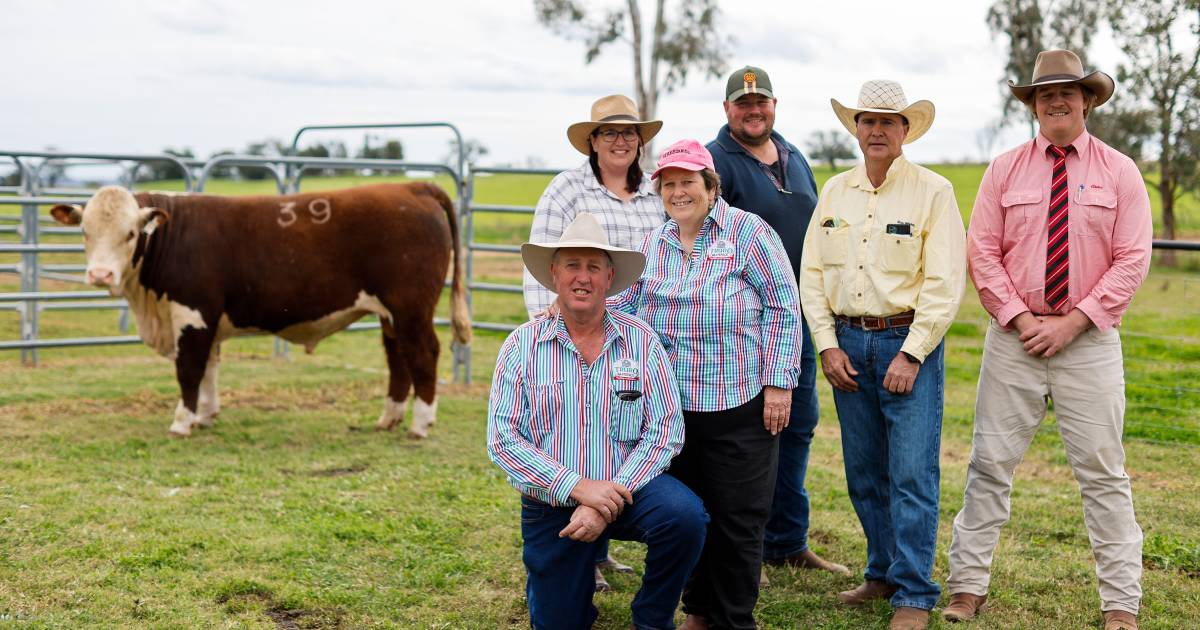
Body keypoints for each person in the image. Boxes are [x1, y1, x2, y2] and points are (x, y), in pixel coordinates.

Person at [944, 50, 1151, 630]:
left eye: (1068, 91)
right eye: (1044, 93)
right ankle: (966, 588)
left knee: (1104, 473)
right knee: (988, 465)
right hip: (1014, 341)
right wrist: (1018, 317)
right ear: (1032, 104)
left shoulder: (1121, 172)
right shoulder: (1004, 170)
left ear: (1087, 100)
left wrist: (1074, 321)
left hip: (1089, 342)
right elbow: (982, 251)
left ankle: (1120, 604)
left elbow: (1133, 260)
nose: (1056, 100)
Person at [610, 139, 803, 630]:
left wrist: (779, 385)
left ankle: (735, 619)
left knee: (739, 519)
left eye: (687, 182)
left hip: (740, 402)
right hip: (673, 410)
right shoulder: (655, 244)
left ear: (711, 186)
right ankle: (698, 611)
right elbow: (626, 309)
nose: (678, 192)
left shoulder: (749, 234)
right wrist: (571, 311)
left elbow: (783, 308)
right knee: (693, 515)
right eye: (668, 184)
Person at [798, 80, 965, 630]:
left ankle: (914, 594)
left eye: (887, 122)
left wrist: (913, 354)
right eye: (867, 121)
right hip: (847, 345)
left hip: (904, 343)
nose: (876, 130)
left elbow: (944, 281)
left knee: (911, 474)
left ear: (905, 130)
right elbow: (814, 274)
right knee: (864, 470)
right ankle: (882, 572)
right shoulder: (835, 193)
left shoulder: (933, 192)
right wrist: (825, 344)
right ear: (856, 128)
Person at [489, 212, 708, 630]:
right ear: (554, 275)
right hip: (553, 502)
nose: (582, 277)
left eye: (593, 267)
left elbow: (665, 430)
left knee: (684, 517)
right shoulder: (522, 345)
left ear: (610, 277)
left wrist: (606, 500)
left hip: (628, 490)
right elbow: (503, 441)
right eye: (572, 265)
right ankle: (566, 593)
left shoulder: (640, 339)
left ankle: (652, 618)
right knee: (558, 623)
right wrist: (578, 488)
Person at [707, 65, 848, 582]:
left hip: (800, 318)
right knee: (754, 437)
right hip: (746, 329)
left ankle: (787, 541)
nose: (753, 110)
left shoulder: (793, 155)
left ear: (774, 105)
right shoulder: (715, 163)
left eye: (761, 102)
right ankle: (746, 546)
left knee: (799, 428)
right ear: (727, 110)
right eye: (742, 104)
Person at [523, 93, 667, 589]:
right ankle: (580, 548)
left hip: (643, 341)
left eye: (630, 133)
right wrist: (548, 336)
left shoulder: (656, 193)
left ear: (641, 141)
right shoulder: (568, 190)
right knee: (578, 436)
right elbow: (542, 268)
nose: (621, 141)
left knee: (625, 437)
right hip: (579, 332)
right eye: (610, 132)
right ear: (593, 141)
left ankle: (605, 538)